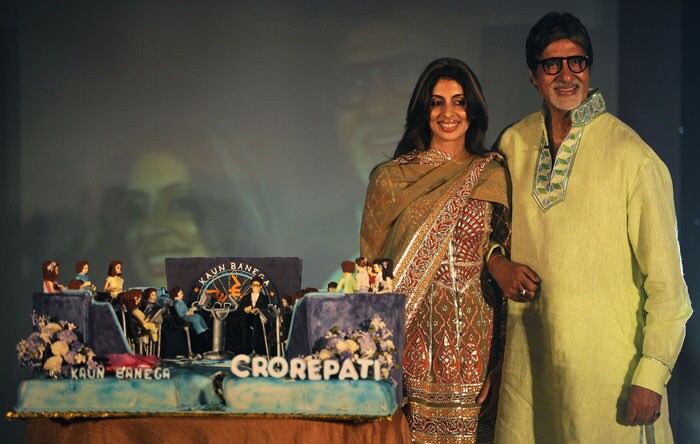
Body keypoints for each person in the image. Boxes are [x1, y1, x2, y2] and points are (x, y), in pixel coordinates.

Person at [492, 12, 692, 443]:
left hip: (610, 384)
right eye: (552, 65)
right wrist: (497, 265)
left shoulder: (633, 158)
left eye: (577, 62)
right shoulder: (513, 144)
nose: (566, 75)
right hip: (530, 377)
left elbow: (669, 291)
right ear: (533, 75)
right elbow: (484, 230)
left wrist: (651, 376)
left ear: (589, 67)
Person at [361, 57, 533, 444]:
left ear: (473, 109)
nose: (448, 112)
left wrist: (502, 363)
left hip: (478, 342)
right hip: (414, 343)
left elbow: (501, 257)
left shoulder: (492, 173)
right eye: (437, 102)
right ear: (424, 110)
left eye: (459, 101)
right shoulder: (391, 179)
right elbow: (373, 274)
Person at [237, 277, 272, 356]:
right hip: (247, 317)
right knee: (244, 323)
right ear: (251, 286)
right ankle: (245, 350)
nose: (255, 287)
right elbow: (240, 308)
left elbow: (264, 308)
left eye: (257, 285)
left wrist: (257, 310)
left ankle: (257, 350)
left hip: (258, 317)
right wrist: (246, 309)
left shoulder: (264, 298)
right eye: (254, 285)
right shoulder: (246, 297)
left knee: (257, 324)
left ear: (261, 287)